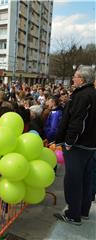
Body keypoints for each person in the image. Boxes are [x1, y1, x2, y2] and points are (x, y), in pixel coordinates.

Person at [54, 65, 96, 225]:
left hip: (78, 146)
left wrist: (70, 141)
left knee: (73, 180)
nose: (73, 78)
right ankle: (83, 211)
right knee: (85, 179)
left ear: (82, 79)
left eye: (75, 76)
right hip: (90, 145)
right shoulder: (92, 93)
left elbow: (78, 121)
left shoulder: (82, 95)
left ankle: (73, 214)